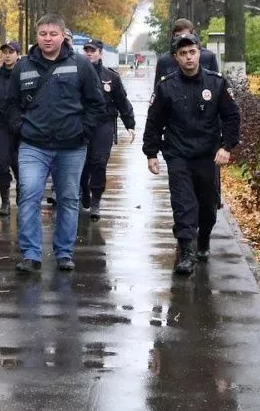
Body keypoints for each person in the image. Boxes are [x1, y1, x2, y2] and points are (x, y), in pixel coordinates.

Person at [7, 13, 106, 273]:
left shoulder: (81, 64)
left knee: (68, 198)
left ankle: (64, 253)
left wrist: (83, 130)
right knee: (28, 194)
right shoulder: (23, 66)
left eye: (53, 34)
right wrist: (21, 128)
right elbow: (11, 104)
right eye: (43, 34)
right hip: (33, 145)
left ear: (63, 36)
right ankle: (31, 254)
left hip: (71, 146)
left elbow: (96, 103)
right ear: (36, 37)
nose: (48, 39)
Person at [143, 33, 240, 276]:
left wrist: (226, 147)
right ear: (176, 58)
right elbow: (154, 121)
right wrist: (151, 152)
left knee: (207, 205)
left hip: (208, 155)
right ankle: (186, 251)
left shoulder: (216, 83)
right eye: (183, 54)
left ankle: (204, 238)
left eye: (192, 52)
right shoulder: (166, 86)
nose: (188, 58)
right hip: (178, 154)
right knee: (183, 202)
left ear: (199, 53)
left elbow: (231, 117)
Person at [79, 38, 136, 220]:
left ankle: (96, 200)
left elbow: (122, 101)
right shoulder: (76, 74)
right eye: (86, 50)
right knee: (82, 164)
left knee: (99, 162)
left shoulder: (111, 77)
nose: (89, 53)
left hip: (104, 125)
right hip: (82, 124)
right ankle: (84, 190)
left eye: (93, 50)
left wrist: (130, 124)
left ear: (100, 53)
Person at [0, 41, 22, 217]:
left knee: (20, 165)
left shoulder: (25, 73)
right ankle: (5, 200)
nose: (7, 55)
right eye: (5, 52)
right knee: (2, 164)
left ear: (18, 54)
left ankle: (22, 199)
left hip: (21, 127)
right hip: (0, 126)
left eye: (11, 52)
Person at [153, 18, 219, 86]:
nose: (181, 39)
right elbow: (159, 88)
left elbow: (216, 84)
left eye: (186, 35)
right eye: (178, 36)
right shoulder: (164, 61)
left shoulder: (208, 57)